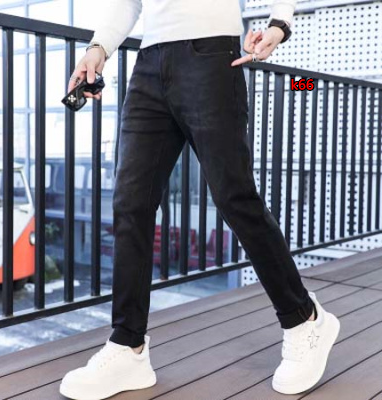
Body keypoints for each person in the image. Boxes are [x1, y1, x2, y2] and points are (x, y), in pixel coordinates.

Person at [60, 1, 341, 398]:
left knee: (234, 197)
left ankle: (304, 319)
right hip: (149, 65)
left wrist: (279, 24)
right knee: (130, 204)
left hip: (210, 56)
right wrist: (98, 48)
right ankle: (128, 346)